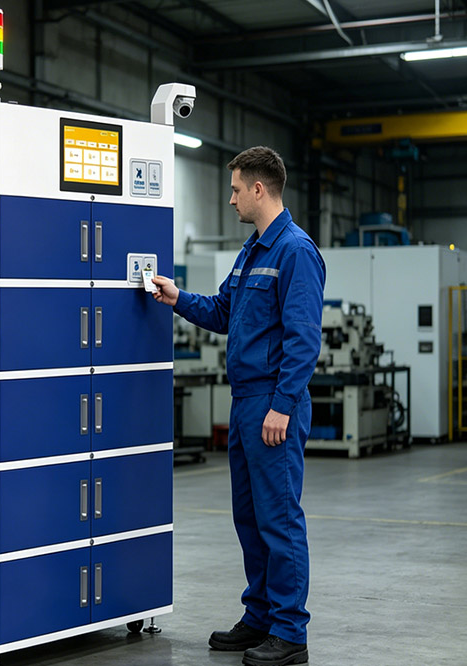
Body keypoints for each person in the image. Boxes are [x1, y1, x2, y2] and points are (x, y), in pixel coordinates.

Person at [152, 146, 324, 666]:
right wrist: (177, 296)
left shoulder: (295, 251)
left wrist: (283, 405)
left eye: (233, 189)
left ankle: (291, 632)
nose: (229, 199)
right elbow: (225, 311)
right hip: (247, 401)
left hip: (274, 404)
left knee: (279, 520)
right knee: (249, 519)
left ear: (258, 189)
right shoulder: (252, 251)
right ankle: (261, 616)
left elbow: (303, 339)